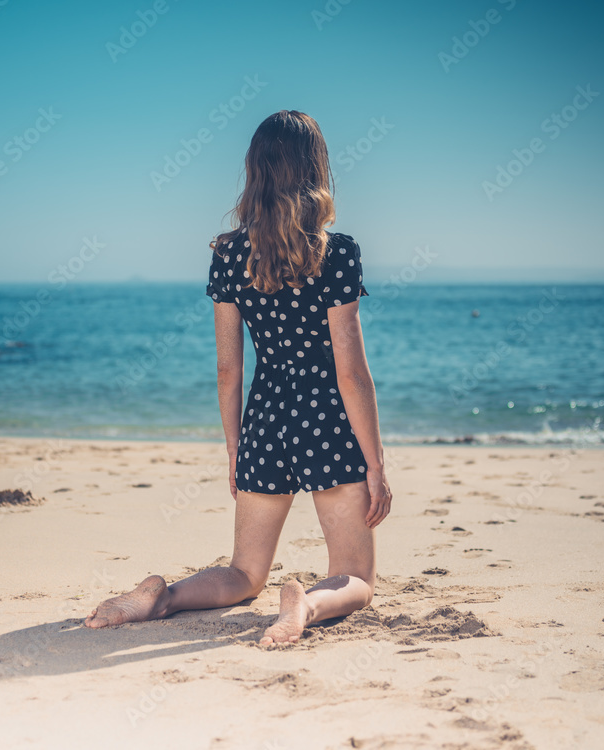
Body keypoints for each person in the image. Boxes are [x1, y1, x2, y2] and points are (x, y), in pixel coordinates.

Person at [84, 110, 391, 645]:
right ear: (316, 170)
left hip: (266, 415)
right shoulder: (337, 253)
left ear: (255, 172)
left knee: (245, 574)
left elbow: (229, 370)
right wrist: (375, 463)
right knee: (356, 576)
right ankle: (308, 606)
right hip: (327, 418)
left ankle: (165, 596)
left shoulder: (228, 254)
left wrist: (236, 448)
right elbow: (350, 372)